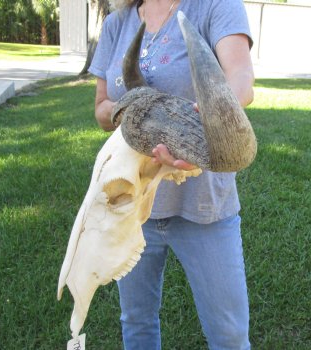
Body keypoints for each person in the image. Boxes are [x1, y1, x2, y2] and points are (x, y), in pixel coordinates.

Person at [89, 0, 254, 349]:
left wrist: (213, 111)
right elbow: (102, 109)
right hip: (132, 206)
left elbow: (241, 81)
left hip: (204, 206)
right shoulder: (117, 23)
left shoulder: (216, 7)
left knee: (229, 335)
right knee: (136, 322)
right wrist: (132, 109)